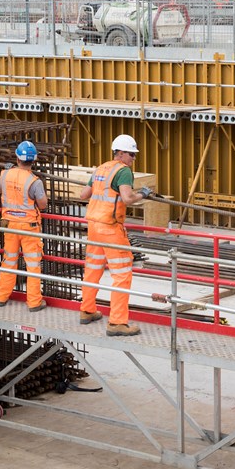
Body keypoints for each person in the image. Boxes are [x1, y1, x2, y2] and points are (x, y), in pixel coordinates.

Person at [78, 134, 151, 336]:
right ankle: (117, 322)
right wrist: (143, 194)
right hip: (110, 228)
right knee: (122, 273)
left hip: (93, 225)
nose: (133, 159)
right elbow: (127, 198)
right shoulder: (124, 171)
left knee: (92, 269)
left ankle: (87, 310)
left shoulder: (101, 168)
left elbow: (83, 195)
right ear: (121, 153)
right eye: (132, 155)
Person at [0, 141, 49, 312]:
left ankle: (1, 297)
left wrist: (7, 173)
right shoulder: (34, 181)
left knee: (9, 261)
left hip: (10, 226)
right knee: (33, 264)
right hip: (29, 228)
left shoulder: (5, 175)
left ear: (17, 158)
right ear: (33, 161)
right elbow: (43, 204)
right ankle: (34, 302)